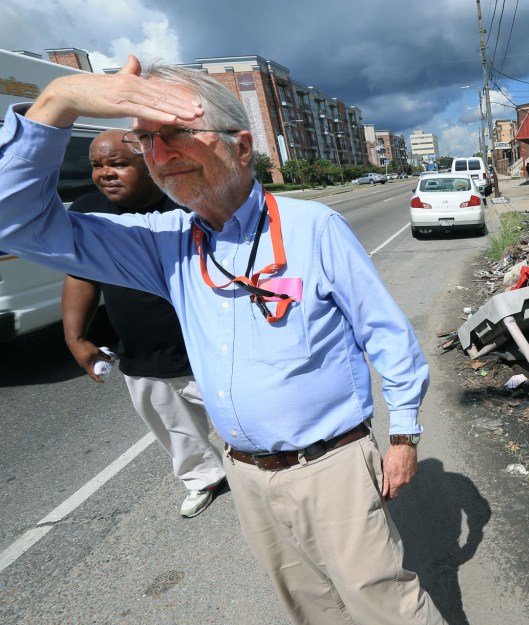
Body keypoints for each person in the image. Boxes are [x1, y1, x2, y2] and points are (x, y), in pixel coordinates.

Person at [0, 56, 447, 625]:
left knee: (388, 607)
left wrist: (405, 433)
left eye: (177, 133)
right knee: (311, 610)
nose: (159, 156)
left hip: (330, 466)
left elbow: (385, 333)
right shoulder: (163, 243)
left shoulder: (313, 228)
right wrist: (58, 99)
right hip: (247, 475)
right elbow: (14, 222)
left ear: (240, 147)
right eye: (146, 141)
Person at [62, 129, 226, 518]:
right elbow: (79, 275)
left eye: (118, 164)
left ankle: (273, 476)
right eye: (97, 166)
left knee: (252, 420)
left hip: (207, 347)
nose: (106, 173)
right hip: (141, 352)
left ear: (149, 165)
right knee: (174, 428)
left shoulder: (188, 205)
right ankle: (204, 478)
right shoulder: (86, 211)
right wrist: (75, 336)